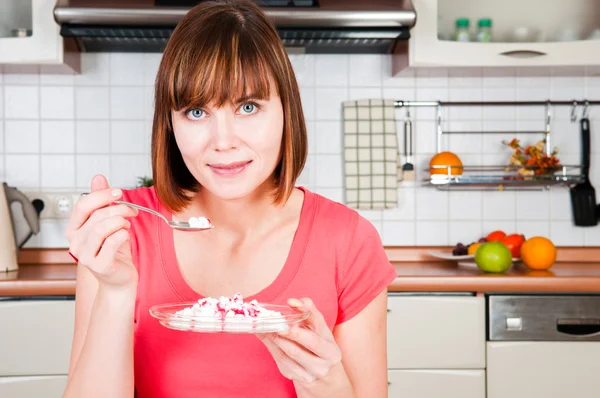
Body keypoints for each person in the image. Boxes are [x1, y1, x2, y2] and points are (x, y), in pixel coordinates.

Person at [63, 1, 397, 397]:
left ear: (287, 111)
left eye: (248, 106)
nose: (223, 142)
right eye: (196, 112)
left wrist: (324, 380)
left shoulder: (348, 241)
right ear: (169, 124)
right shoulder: (124, 232)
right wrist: (116, 292)